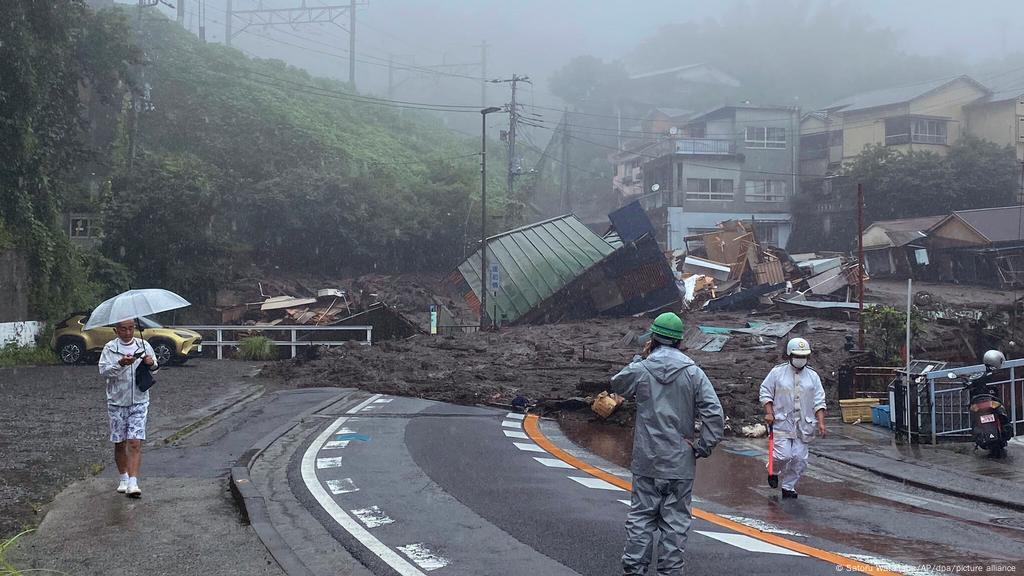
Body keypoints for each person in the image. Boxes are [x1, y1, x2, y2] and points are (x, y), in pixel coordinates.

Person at [612, 312, 725, 576]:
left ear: (653, 338)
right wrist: (703, 446)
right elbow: (714, 412)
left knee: (641, 518)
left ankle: (634, 570)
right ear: (679, 341)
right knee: (675, 523)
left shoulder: (641, 369)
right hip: (680, 462)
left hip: (647, 459)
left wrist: (640, 358)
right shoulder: (694, 373)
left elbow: (618, 384)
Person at [759, 337, 827, 499]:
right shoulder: (777, 373)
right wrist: (769, 412)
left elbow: (819, 401)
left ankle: (788, 486)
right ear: (789, 355)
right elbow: (765, 392)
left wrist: (821, 423)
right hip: (782, 422)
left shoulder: (813, 377)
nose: (800, 359)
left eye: (804, 356)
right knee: (783, 455)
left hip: (804, 425)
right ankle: (773, 471)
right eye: (797, 355)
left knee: (799, 459)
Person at [98, 319, 159, 498]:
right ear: (116, 330)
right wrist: (120, 364)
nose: (127, 332)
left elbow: (155, 369)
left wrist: (150, 363)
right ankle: (123, 477)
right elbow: (103, 372)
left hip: (139, 400)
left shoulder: (144, 344)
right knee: (120, 442)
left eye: (131, 328)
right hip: (117, 401)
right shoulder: (110, 348)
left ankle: (134, 482)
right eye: (123, 329)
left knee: (135, 441)